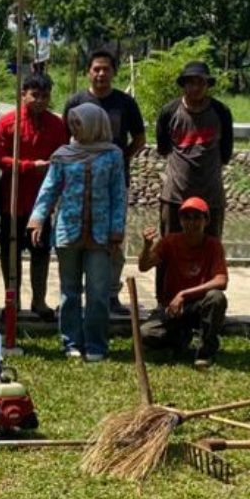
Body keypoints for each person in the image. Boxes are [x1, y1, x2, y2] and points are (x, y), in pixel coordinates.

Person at [27, 102, 126, 362]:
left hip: (101, 233)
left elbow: (118, 194)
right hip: (68, 231)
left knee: (98, 291)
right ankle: (70, 341)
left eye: (79, 123)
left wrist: (117, 230)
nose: (75, 128)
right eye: (72, 124)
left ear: (95, 124)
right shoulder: (62, 155)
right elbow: (50, 188)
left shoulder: (112, 155)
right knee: (69, 291)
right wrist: (37, 218)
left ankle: (96, 344)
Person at [63, 49, 146, 316]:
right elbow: (66, 141)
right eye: (96, 69)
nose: (101, 74)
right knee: (76, 238)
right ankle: (73, 295)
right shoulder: (75, 101)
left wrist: (121, 159)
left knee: (114, 238)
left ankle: (110, 294)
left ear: (114, 72)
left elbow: (140, 138)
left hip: (114, 183)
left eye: (106, 69)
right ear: (88, 72)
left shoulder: (125, 103)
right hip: (79, 185)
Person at [0, 72, 68, 320]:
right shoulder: (7, 122)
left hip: (42, 202)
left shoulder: (57, 125)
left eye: (45, 96)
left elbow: (64, 157)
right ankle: (12, 300)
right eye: (35, 95)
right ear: (23, 94)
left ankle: (39, 300)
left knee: (41, 251)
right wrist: (28, 166)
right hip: (12, 199)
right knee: (10, 252)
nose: (39, 101)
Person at [136, 195, 229, 370]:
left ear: (206, 221)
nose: (191, 223)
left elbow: (221, 280)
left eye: (197, 218)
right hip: (172, 309)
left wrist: (184, 294)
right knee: (145, 333)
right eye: (187, 218)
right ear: (180, 221)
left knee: (216, 297)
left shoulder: (213, 245)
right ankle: (180, 337)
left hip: (199, 306)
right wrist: (147, 246)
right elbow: (144, 266)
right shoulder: (170, 242)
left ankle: (205, 352)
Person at [155, 61, 234, 238]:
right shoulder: (169, 112)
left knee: (210, 248)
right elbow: (163, 148)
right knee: (170, 247)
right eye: (191, 82)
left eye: (201, 83)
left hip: (210, 195)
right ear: (184, 84)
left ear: (207, 85)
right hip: (176, 195)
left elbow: (226, 152)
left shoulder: (221, 112)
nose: (196, 88)